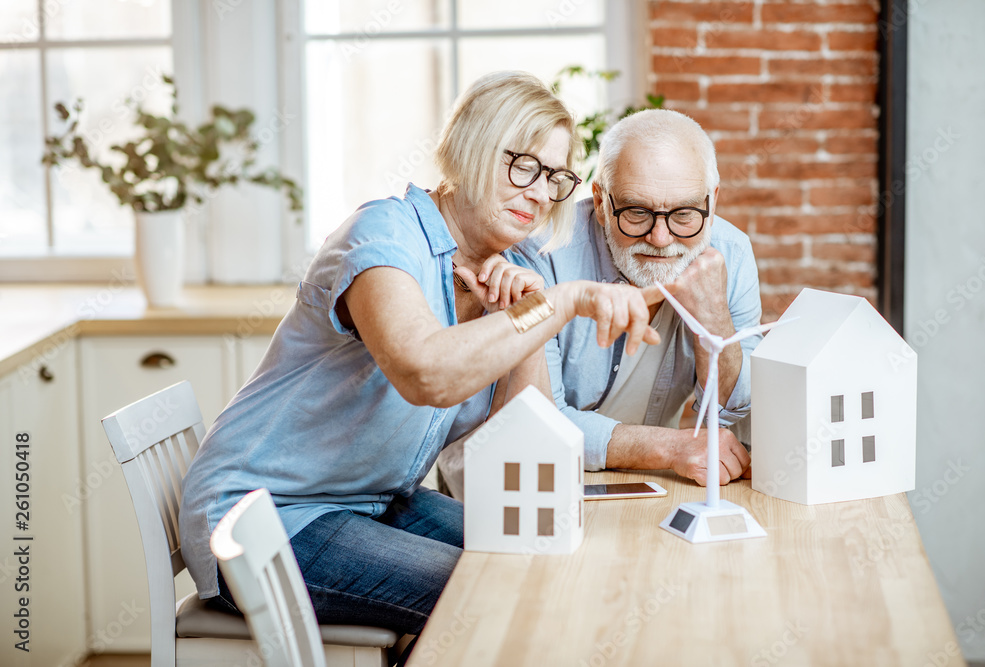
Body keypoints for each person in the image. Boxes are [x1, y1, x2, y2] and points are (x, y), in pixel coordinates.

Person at [179, 71, 663, 641]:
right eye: (524, 166)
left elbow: (525, 431)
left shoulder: (506, 267)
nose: (539, 192)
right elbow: (425, 373)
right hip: (271, 519)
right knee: (501, 591)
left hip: (377, 501)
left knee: (543, 553)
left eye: (555, 177)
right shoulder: (383, 234)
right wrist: (560, 304)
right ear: (471, 149)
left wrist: (526, 313)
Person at [438, 108, 762, 499]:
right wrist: (669, 447)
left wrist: (715, 322)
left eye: (684, 214)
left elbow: (734, 414)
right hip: (513, 488)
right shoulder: (538, 255)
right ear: (601, 200)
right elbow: (543, 423)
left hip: (641, 484)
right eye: (637, 212)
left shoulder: (730, 252)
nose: (661, 238)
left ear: (713, 200)